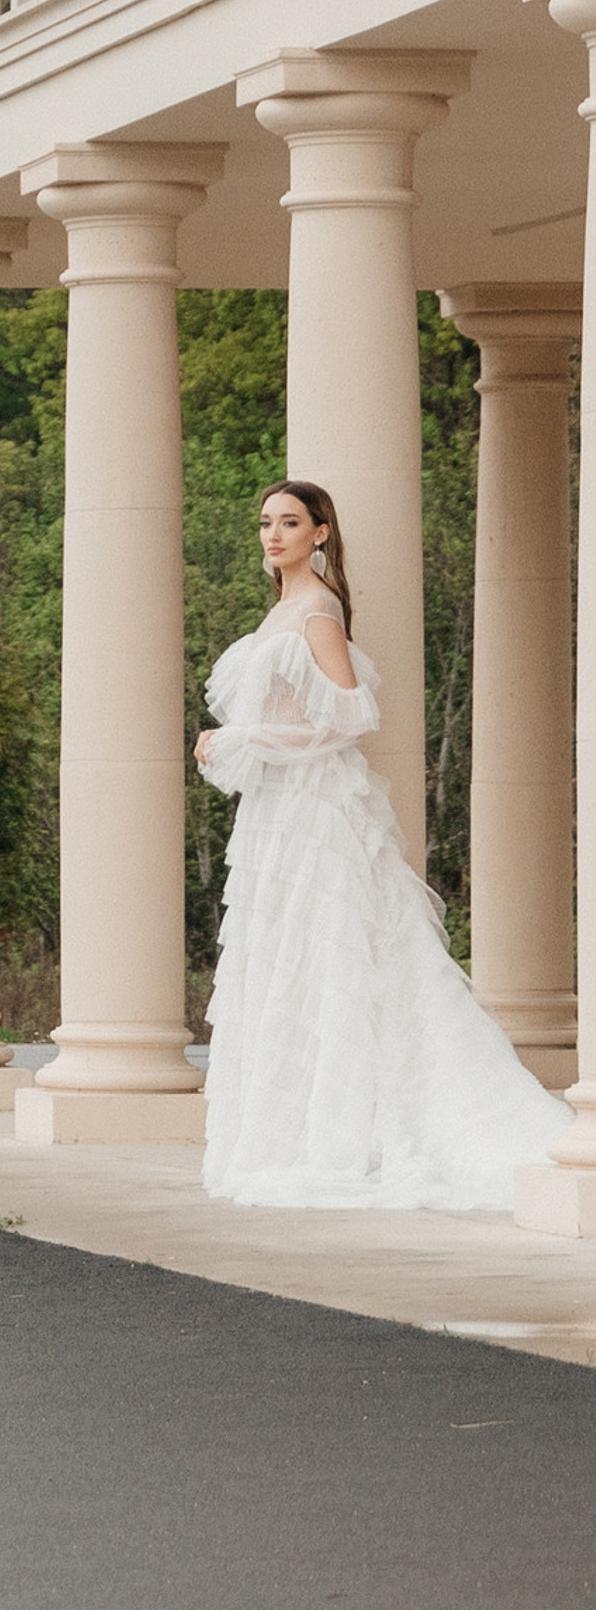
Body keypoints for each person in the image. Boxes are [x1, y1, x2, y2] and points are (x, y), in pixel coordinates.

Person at [192, 477, 561, 1212]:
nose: (272, 535)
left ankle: (346, 1137)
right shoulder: (280, 615)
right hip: (277, 812)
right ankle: (295, 1132)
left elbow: (350, 719)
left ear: (320, 533)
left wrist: (241, 736)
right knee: (292, 964)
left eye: (289, 523)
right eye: (265, 522)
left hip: (317, 813)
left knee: (337, 959)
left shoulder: (318, 613)